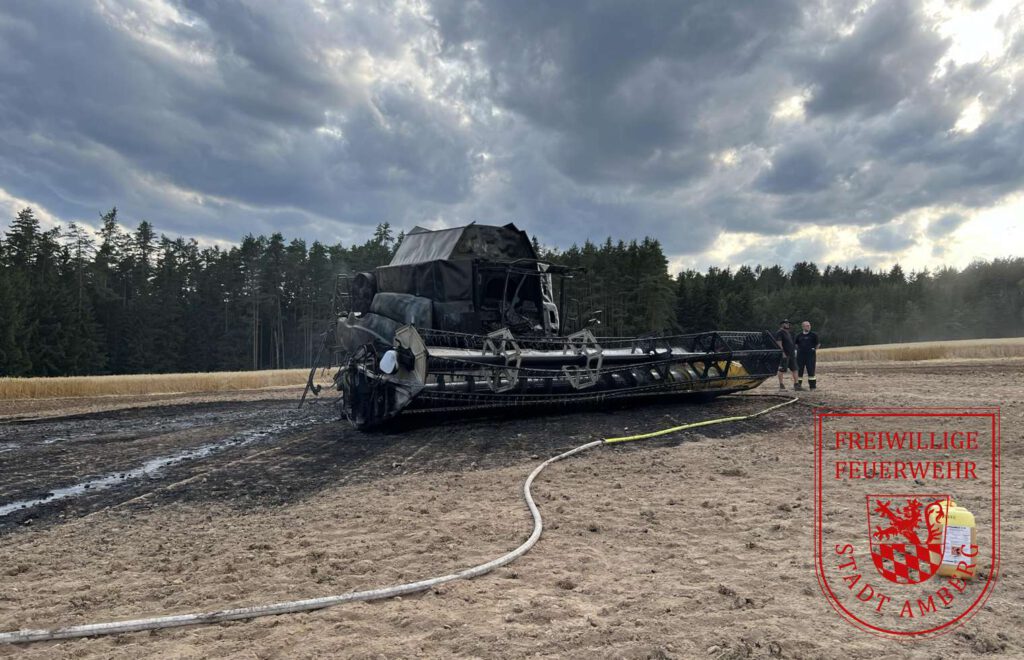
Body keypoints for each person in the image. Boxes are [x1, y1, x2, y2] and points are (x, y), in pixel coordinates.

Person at [795, 320, 820, 390]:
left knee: (811, 370)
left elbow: (818, 344)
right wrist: (798, 350)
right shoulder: (799, 335)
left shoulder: (814, 335)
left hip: (810, 356)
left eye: (809, 325)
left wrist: (814, 349)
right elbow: (796, 344)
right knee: (799, 370)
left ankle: (812, 386)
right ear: (803, 327)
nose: (809, 327)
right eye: (807, 326)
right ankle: (798, 386)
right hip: (800, 356)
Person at [775, 319, 797, 390]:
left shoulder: (789, 332)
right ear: (782, 324)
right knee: (782, 369)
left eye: (788, 323)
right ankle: (781, 385)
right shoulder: (780, 332)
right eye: (786, 323)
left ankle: (796, 385)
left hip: (791, 354)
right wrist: (782, 353)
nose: (788, 324)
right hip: (785, 354)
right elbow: (779, 343)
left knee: (795, 369)